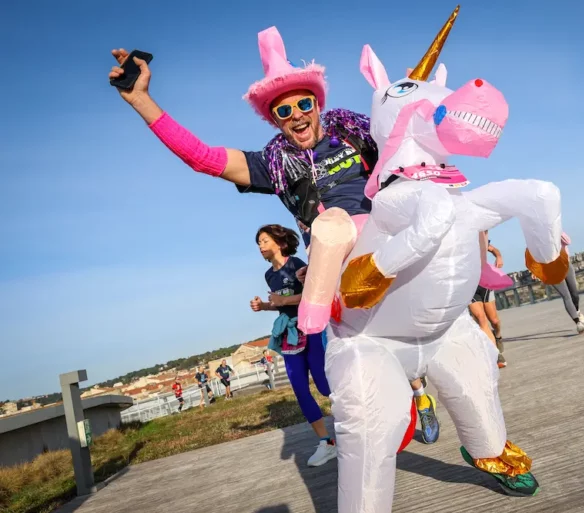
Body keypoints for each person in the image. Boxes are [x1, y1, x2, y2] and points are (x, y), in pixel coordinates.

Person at [107, 26, 439, 442]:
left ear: (317, 104)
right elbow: (203, 158)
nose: (297, 115)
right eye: (284, 111)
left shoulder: (352, 128)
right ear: (274, 119)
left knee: (419, 334)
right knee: (362, 362)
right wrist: (141, 100)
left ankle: (422, 392)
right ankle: (396, 416)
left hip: (382, 243)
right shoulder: (273, 162)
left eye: (304, 104)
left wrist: (413, 97)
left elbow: (402, 133)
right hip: (332, 270)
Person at [250, 224, 336, 467]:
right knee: (299, 388)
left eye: (264, 241)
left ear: (279, 242)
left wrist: (283, 299)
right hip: (289, 334)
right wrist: (264, 306)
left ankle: (352, 425)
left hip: (310, 327)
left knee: (322, 383)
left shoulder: (296, 263)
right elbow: (281, 304)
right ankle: (326, 443)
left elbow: (314, 292)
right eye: (258, 243)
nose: (260, 246)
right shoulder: (269, 276)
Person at [469, 231, 507, 368]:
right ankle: (497, 355)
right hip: (468, 285)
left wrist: (498, 256)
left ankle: (497, 336)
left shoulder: (477, 238)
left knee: (494, 321)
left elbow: (492, 249)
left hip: (485, 282)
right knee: (480, 318)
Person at [553, 232, 584, 334]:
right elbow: (535, 254)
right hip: (551, 270)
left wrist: (557, 231)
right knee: (566, 296)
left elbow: (567, 241)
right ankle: (578, 323)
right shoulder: (537, 238)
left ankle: (577, 310)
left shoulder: (555, 230)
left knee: (574, 294)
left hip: (565, 265)